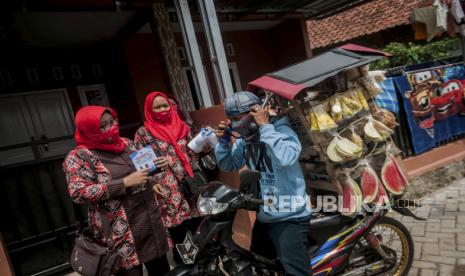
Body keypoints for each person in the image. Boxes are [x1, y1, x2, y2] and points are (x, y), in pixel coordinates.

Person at [63, 106, 170, 276]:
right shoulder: (79, 157)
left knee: (162, 270)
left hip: (148, 221)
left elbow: (141, 169)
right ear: (88, 129)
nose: (111, 128)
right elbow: (78, 192)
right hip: (120, 232)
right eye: (103, 125)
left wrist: (156, 166)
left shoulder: (126, 143)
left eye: (112, 122)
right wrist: (124, 183)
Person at [214, 91, 312, 276]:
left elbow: (286, 158)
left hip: (289, 217)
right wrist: (224, 142)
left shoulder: (282, 132)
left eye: (238, 118)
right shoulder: (247, 140)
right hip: (265, 215)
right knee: (260, 267)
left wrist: (265, 126)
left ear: (256, 112)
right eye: (231, 119)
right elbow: (229, 164)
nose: (235, 124)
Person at [134, 91, 202, 263]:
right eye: (157, 107)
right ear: (149, 110)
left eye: (165, 105)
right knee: (179, 233)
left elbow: (194, 154)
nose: (163, 109)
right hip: (167, 190)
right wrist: (152, 180)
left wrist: (204, 142)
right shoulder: (143, 133)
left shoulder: (183, 127)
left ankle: (202, 264)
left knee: (197, 229)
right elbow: (140, 165)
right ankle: (186, 267)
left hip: (190, 185)